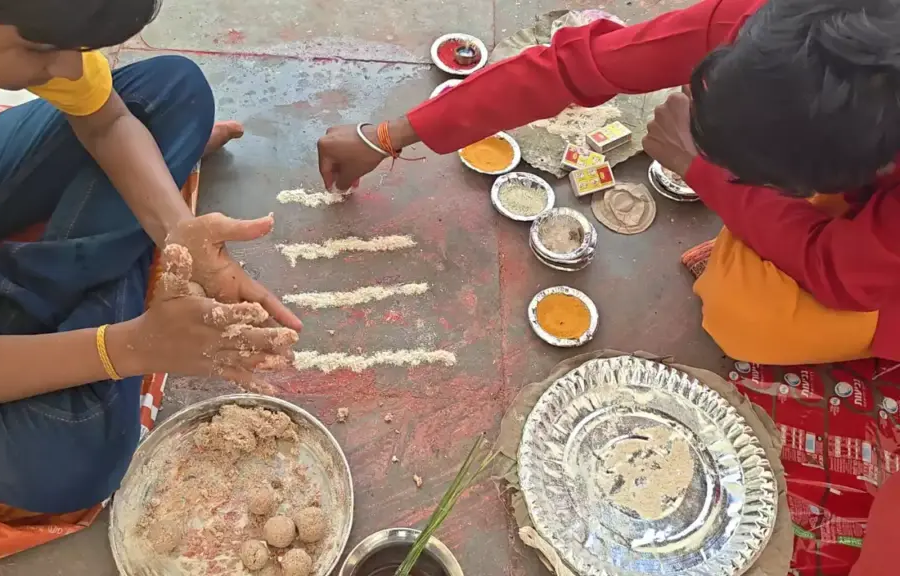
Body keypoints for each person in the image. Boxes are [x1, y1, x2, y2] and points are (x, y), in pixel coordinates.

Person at [0, 0, 303, 514]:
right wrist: (128, 348)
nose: (71, 67)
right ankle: (79, 318)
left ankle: (33, 316)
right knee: (70, 457)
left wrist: (179, 234)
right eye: (41, 48)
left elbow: (106, 120)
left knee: (172, 92)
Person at [317, 0, 900, 367]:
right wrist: (389, 135)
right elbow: (574, 66)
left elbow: (837, 273)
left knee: (745, 315)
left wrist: (703, 172)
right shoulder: (774, 35)